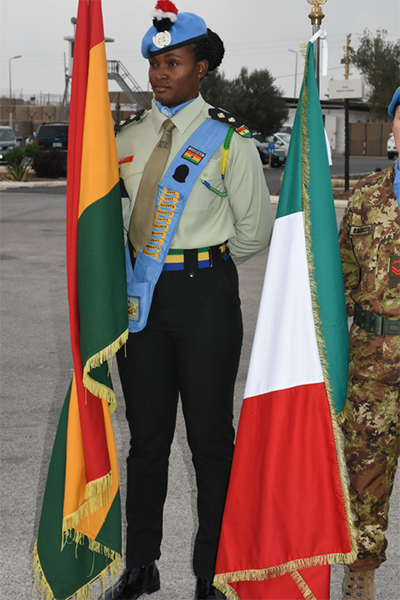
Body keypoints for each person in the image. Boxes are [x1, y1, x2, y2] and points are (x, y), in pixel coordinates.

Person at [102, 2, 272, 600]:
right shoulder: (123, 140)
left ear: (202, 68)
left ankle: (213, 572)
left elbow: (253, 231)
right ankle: (142, 565)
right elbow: (112, 225)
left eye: (172, 62)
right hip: (140, 302)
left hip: (205, 298)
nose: (158, 73)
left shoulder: (229, 141)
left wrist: (201, 268)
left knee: (209, 440)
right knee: (147, 438)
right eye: (153, 62)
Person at [339, 86, 400, 600]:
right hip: (372, 360)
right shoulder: (365, 196)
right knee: (366, 465)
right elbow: (340, 280)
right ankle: (362, 570)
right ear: (392, 129)